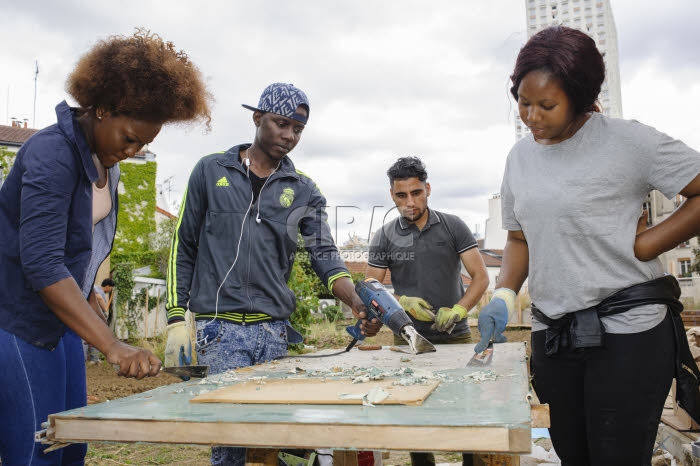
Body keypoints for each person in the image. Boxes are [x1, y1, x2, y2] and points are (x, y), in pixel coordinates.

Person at [475, 25, 700, 465]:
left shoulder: (629, 141)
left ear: (580, 99)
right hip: (553, 334)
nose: (532, 117)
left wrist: (648, 244)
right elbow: (519, 236)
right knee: (572, 455)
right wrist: (504, 291)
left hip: (627, 331)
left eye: (547, 105)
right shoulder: (519, 158)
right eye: (523, 102)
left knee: (616, 457)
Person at [0, 28, 212, 465]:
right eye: (129, 138)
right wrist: (113, 345)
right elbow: (41, 263)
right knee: (35, 451)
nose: (132, 151)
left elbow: (76, 256)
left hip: (57, 330)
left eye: (144, 145)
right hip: (16, 324)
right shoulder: (50, 154)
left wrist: (92, 311)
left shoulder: (102, 164)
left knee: (71, 444)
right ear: (101, 110)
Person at [165, 82, 381, 466]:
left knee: (273, 441)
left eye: (297, 130)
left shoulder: (303, 190)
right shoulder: (210, 170)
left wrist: (355, 301)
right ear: (257, 118)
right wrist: (176, 318)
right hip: (221, 330)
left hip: (273, 333)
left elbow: (325, 256)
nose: (288, 136)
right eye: (281, 124)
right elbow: (184, 246)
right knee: (229, 444)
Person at [365, 156, 488, 466]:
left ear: (428, 189)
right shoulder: (384, 236)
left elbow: (481, 277)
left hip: (456, 337)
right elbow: (369, 289)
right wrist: (400, 301)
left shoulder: (453, 226)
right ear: (392, 195)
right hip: (408, 343)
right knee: (415, 422)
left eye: (416, 193)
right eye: (401, 195)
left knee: (466, 415)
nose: (410, 202)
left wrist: (460, 310)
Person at [85, 278, 116, 364]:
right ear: (107, 286)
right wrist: (105, 310)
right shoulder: (96, 289)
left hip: (91, 317)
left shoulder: (95, 288)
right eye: (111, 288)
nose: (111, 290)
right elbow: (99, 298)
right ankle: (92, 359)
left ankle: (94, 358)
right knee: (95, 336)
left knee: (91, 337)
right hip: (95, 318)